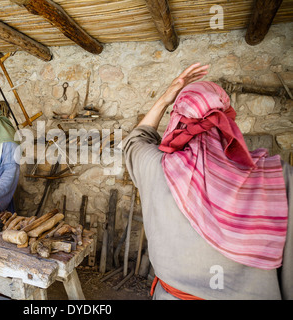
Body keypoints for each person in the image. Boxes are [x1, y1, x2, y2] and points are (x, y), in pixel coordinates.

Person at [123, 63, 293, 300]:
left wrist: (165, 97)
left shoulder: (156, 168)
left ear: (178, 121)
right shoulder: (277, 176)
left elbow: (136, 140)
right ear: (226, 123)